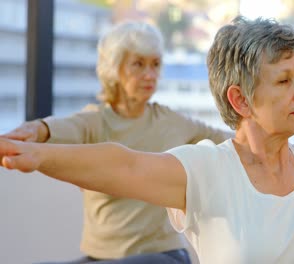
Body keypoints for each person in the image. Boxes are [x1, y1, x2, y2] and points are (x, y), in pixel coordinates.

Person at [1, 16, 294, 264]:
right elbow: (124, 165)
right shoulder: (207, 171)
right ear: (240, 100)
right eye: (284, 81)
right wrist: (38, 152)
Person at [1, 21, 232, 263]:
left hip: (163, 256)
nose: (150, 74)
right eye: (138, 64)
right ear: (115, 68)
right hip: (100, 258)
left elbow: (231, 142)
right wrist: (32, 131)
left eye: (155, 64)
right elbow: (58, 128)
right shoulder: (95, 121)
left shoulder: (172, 121)